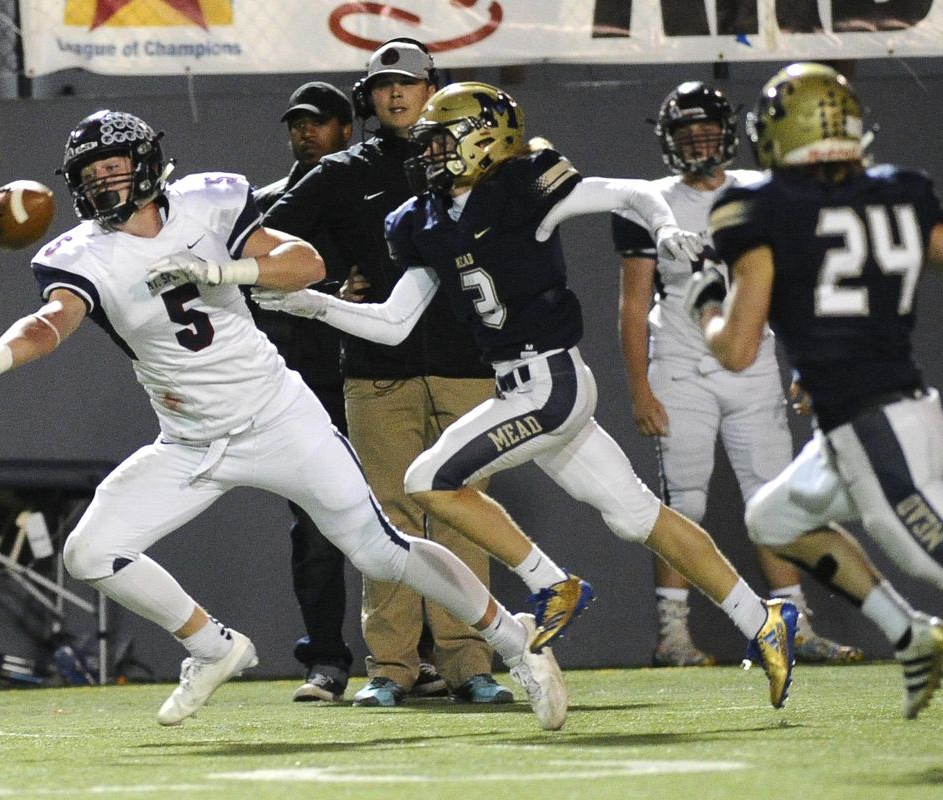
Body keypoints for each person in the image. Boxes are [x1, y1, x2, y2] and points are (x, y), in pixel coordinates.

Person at [0, 108, 568, 729]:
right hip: (189, 440)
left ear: (147, 163)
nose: (103, 183)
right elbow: (52, 321)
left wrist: (226, 269)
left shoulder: (209, 202)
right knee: (91, 553)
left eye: (113, 167)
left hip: (278, 417)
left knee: (383, 553)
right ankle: (211, 647)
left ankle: (517, 645)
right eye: (90, 175)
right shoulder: (80, 255)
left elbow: (307, 264)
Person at [255, 81, 799, 709]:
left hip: (551, 384)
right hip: (524, 387)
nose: (429, 152)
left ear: (484, 139)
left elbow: (629, 192)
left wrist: (669, 225)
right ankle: (762, 619)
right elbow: (393, 322)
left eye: (442, 138)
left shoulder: (523, 186)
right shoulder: (424, 220)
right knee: (636, 515)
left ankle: (551, 584)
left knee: (429, 480)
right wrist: (313, 304)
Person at [689, 62, 943, 719]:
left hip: (871, 422)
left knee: (934, 558)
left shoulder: (759, 207)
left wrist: (705, 302)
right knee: (774, 519)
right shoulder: (902, 188)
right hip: (874, 410)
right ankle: (912, 635)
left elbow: (737, 347)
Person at [264, 40, 508, 707]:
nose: (397, 95)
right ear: (366, 99)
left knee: (464, 515)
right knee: (389, 523)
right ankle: (391, 669)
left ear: (435, 88)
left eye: (409, 83)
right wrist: (328, 279)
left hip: (467, 367)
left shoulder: (482, 159)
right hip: (377, 372)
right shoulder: (346, 171)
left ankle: (467, 664)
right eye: (384, 86)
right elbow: (262, 238)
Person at [612, 81, 861, 667]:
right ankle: (673, 635)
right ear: (667, 140)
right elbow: (632, 302)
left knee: (776, 497)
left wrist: (806, 361)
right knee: (683, 503)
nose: (698, 143)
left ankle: (792, 626)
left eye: (707, 132)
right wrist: (640, 387)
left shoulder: (762, 193)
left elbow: (796, 290)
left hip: (752, 361)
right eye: (686, 133)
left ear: (730, 135)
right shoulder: (648, 202)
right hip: (679, 363)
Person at [251, 80, 356, 702]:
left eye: (319, 122)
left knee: (400, 517)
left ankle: (419, 658)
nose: (305, 132)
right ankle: (326, 662)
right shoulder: (262, 209)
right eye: (297, 123)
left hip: (373, 378)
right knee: (317, 529)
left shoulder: (366, 197)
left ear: (347, 127)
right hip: (298, 392)